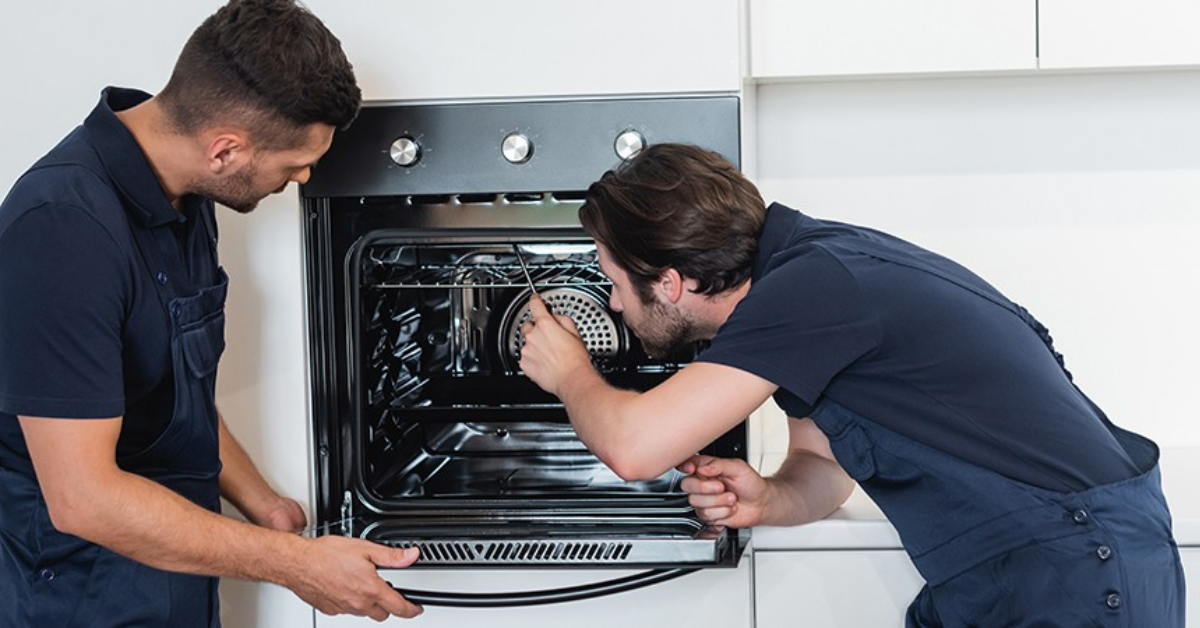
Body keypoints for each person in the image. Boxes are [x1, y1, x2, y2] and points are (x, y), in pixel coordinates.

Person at [518, 143, 1186, 626]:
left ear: (669, 282)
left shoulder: (812, 287)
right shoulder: (802, 278)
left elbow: (634, 449)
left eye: (613, 278)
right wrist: (769, 497)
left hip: (1072, 572)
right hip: (1030, 570)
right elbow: (822, 467)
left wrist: (568, 370)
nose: (610, 303)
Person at [0, 1, 424, 625]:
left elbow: (172, 391)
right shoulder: (63, 229)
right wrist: (293, 562)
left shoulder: (186, 194)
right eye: (296, 162)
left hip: (172, 573)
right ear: (225, 150)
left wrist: (266, 506)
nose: (306, 176)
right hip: (79, 593)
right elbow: (83, 499)